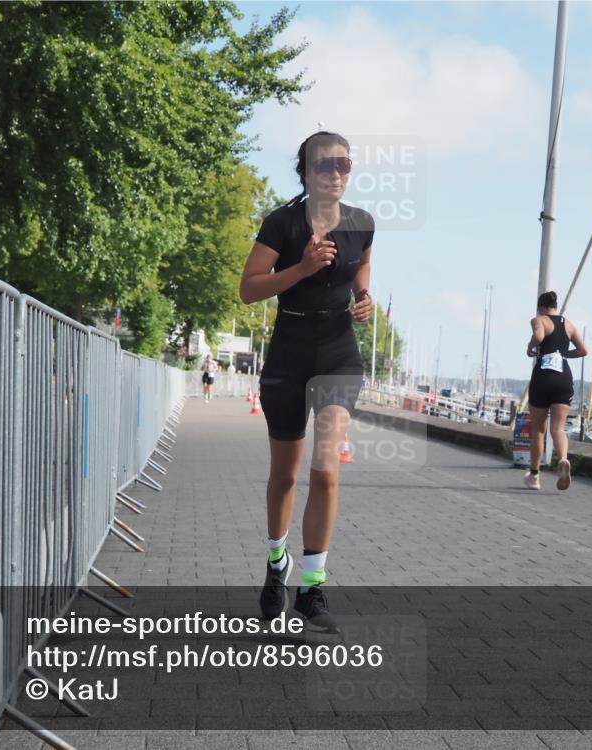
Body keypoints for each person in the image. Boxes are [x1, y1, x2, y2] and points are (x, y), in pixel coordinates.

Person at [239, 131, 374, 633]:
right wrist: (301, 267)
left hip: (339, 353)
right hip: (289, 354)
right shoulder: (282, 222)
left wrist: (363, 298)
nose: (335, 173)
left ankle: (312, 587)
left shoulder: (362, 223)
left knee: (327, 470)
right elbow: (249, 289)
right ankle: (277, 561)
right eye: (324, 165)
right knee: (285, 475)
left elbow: (362, 268)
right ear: (305, 172)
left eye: (343, 164)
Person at [525, 290, 588, 491]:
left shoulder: (539, 320)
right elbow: (583, 350)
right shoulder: (568, 324)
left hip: (543, 376)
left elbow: (538, 336)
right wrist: (564, 354)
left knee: (538, 429)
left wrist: (530, 346)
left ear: (540, 307)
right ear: (555, 306)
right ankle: (562, 459)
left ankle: (534, 476)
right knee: (558, 429)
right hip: (563, 377)